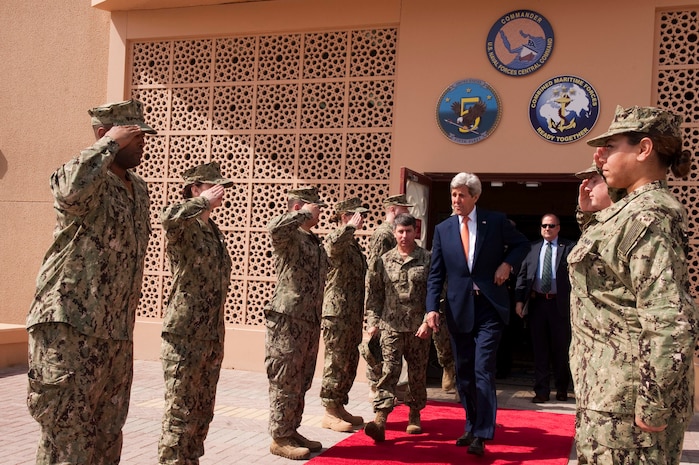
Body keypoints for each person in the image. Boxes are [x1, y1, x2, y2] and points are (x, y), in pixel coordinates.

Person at [25, 99, 155, 464]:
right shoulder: (81, 178)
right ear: (105, 135)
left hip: (114, 334)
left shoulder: (138, 189)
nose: (143, 143)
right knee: (67, 439)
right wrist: (109, 142)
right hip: (69, 329)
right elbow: (67, 190)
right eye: (134, 136)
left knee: (107, 436)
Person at [568, 105, 698, 464]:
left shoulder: (648, 216)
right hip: (609, 392)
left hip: (628, 403)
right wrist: (589, 212)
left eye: (610, 146)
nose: (600, 156)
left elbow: (670, 319)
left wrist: (654, 404)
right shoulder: (632, 210)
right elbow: (609, 270)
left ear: (643, 150)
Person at [425, 172, 529, 457]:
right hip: (459, 309)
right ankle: (471, 425)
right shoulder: (443, 229)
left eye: (461, 195)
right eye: (453, 195)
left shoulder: (494, 221)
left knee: (483, 369)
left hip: (489, 307)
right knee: (464, 375)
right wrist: (431, 308)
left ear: (475, 197)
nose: (456, 200)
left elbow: (522, 244)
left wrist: (507, 264)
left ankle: (483, 432)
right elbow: (436, 274)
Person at [158, 162, 234, 465]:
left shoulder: (213, 230)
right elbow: (168, 218)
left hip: (211, 334)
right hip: (185, 332)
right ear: (194, 189)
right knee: (180, 409)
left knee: (202, 409)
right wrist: (201, 202)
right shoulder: (183, 226)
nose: (221, 192)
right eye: (213, 186)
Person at [265, 186, 329, 461]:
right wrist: (300, 213)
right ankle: (279, 437)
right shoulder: (288, 236)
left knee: (301, 380)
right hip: (288, 320)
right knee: (285, 379)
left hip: (309, 320)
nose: (318, 212)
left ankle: (291, 430)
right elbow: (274, 228)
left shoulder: (312, 240)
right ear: (298, 207)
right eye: (314, 207)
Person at [364, 213, 432, 441]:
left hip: (418, 328)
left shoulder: (427, 259)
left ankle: (414, 414)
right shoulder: (383, 260)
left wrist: (428, 321)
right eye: (400, 231)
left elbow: (437, 294)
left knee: (417, 373)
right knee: (389, 371)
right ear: (394, 232)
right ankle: (380, 419)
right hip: (390, 326)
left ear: (415, 232)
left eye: (408, 231)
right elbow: (374, 295)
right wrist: (373, 323)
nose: (404, 236)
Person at [320, 197, 368, 432]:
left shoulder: (353, 245)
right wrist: (349, 228)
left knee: (349, 361)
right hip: (336, 314)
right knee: (336, 362)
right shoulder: (335, 238)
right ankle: (329, 410)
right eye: (354, 215)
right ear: (343, 216)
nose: (360, 220)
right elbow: (332, 247)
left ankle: (339, 405)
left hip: (352, 313)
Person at [515, 213, 575, 403]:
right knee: (540, 349)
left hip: (560, 305)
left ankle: (562, 387)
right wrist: (519, 301)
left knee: (560, 348)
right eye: (544, 226)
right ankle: (541, 390)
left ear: (558, 228)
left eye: (551, 226)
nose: (547, 229)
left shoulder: (569, 248)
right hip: (538, 303)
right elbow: (522, 277)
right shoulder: (532, 249)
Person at [360, 194, 414, 395]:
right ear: (392, 209)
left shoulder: (392, 233)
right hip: (385, 303)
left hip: (397, 304)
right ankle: (376, 388)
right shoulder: (384, 234)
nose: (407, 212)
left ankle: (392, 387)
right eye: (403, 208)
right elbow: (375, 271)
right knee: (379, 347)